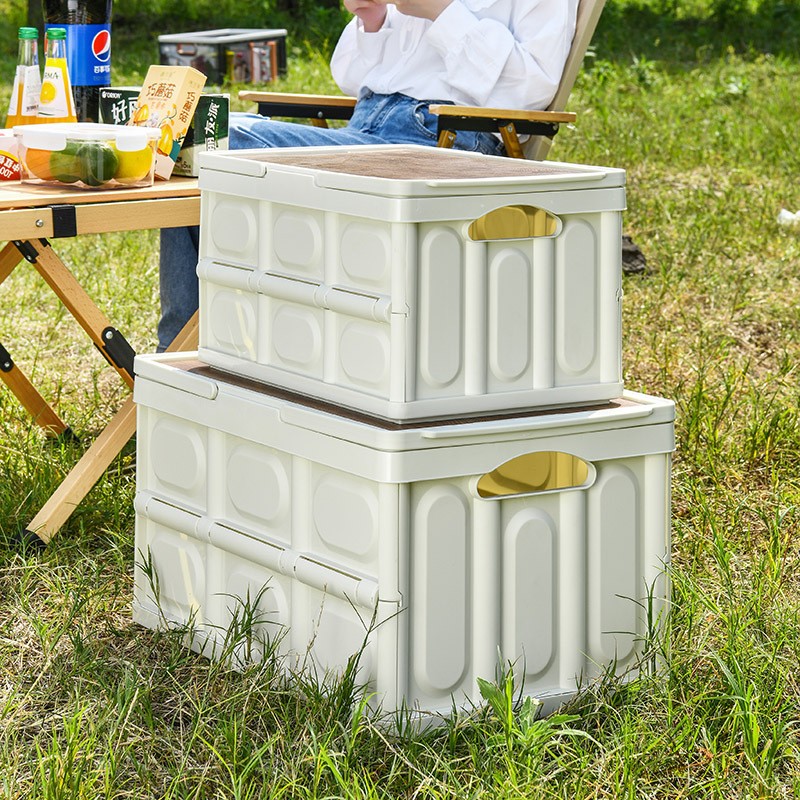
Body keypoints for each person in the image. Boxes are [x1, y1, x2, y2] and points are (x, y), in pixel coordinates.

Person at [157, 0, 579, 350]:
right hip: (368, 129)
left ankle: (176, 355)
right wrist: (372, 18)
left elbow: (533, 86)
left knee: (210, 137)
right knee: (194, 137)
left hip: (439, 143)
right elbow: (355, 79)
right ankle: (189, 351)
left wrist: (439, 10)